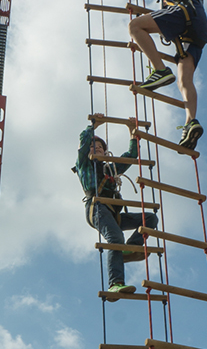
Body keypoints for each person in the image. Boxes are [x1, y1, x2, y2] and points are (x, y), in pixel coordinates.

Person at [125, 0, 207, 150]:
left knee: (135, 26)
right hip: (200, 26)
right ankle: (190, 121)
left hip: (183, 13)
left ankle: (160, 70)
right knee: (185, 79)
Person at [74, 114, 158, 300]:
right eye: (94, 147)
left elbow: (131, 156)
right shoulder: (84, 164)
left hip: (114, 212)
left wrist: (132, 132)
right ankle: (115, 283)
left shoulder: (111, 169)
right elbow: (83, 143)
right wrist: (94, 125)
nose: (97, 149)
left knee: (150, 218)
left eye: (101, 148)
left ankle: (129, 249)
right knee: (115, 237)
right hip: (97, 207)